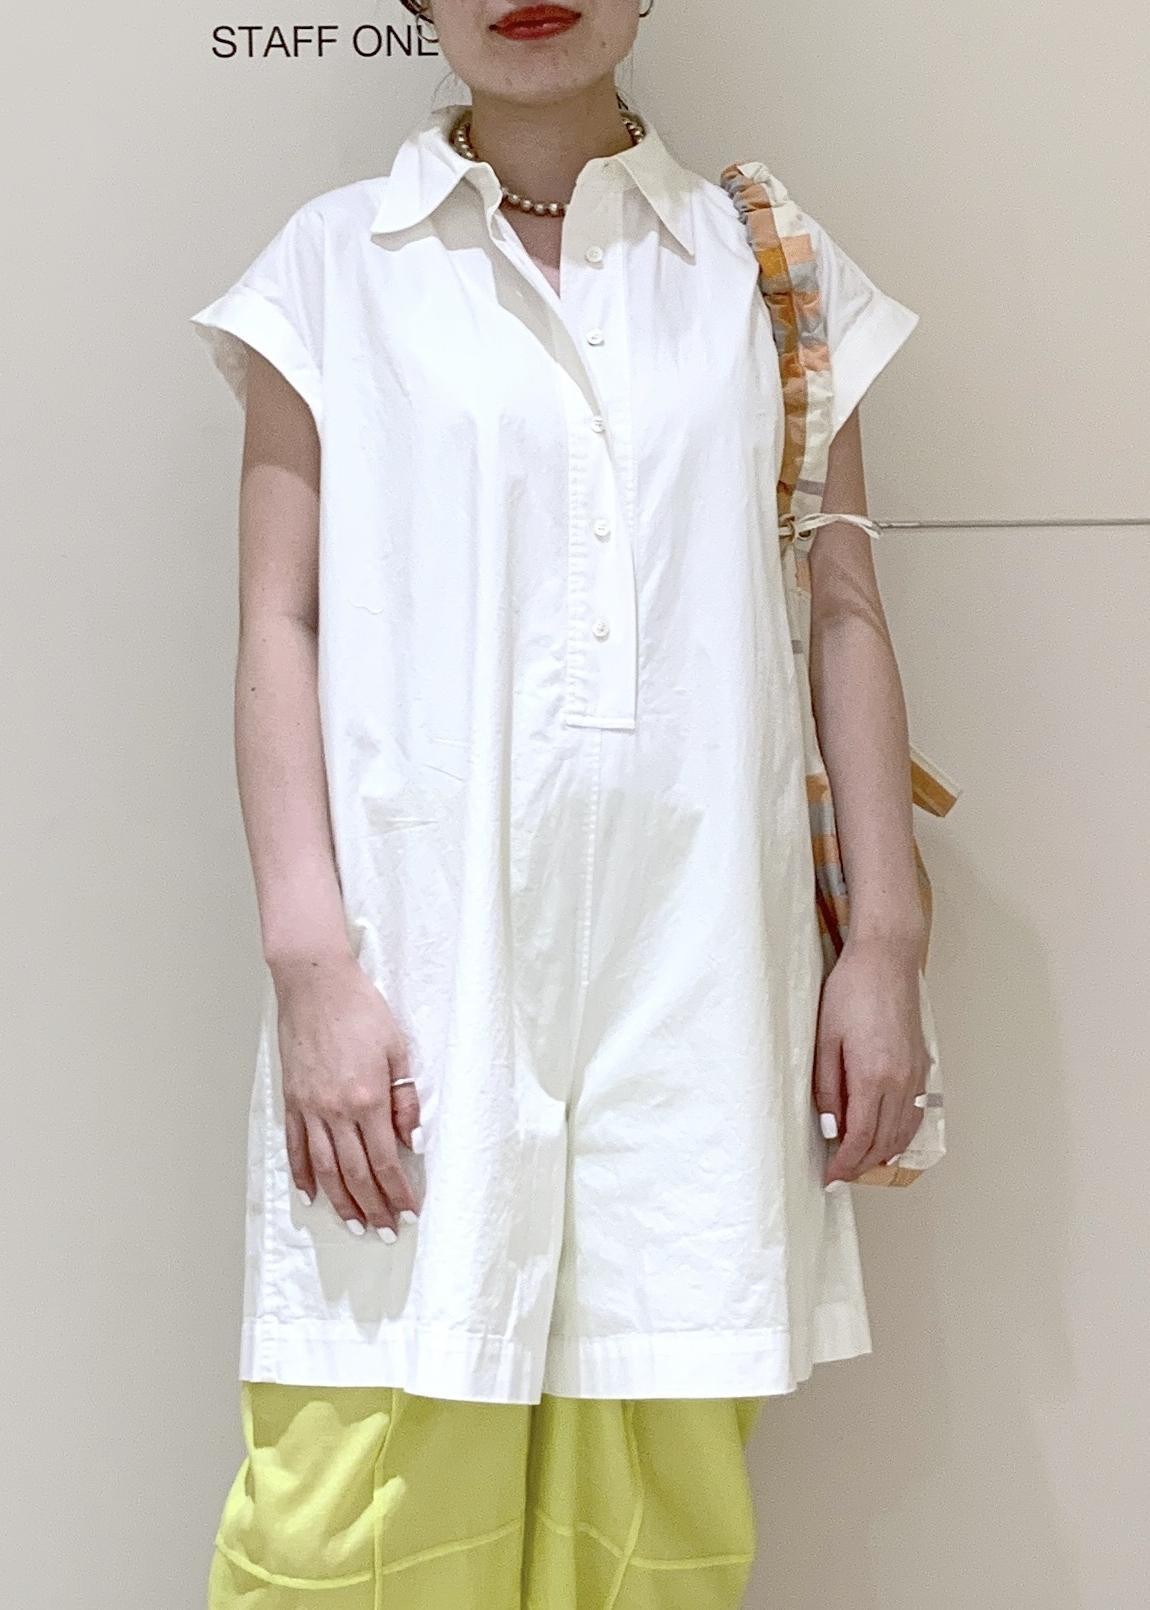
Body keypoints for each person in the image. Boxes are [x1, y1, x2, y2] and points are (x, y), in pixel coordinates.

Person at [189, 2, 931, 1604]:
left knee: (648, 1533)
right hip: (416, 967)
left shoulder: (765, 269)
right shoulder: (332, 264)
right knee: (347, 1521)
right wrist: (309, 962)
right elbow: (277, 620)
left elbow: (842, 611)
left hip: (697, 982)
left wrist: (884, 942)